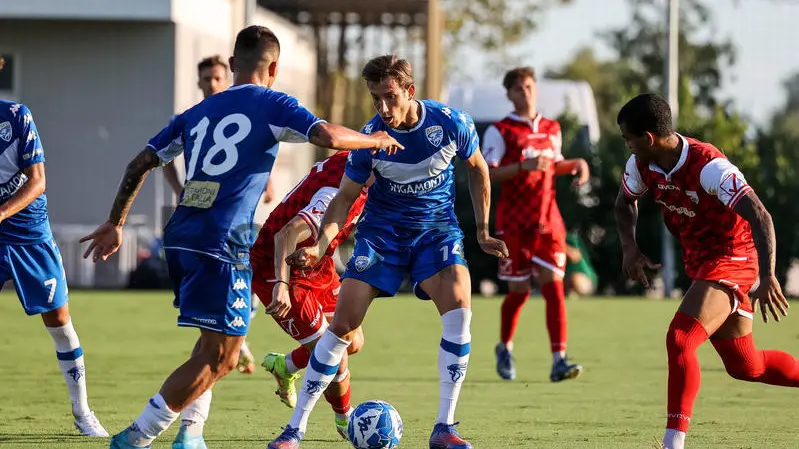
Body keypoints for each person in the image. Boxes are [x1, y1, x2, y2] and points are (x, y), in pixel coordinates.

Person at [79, 26, 401, 449]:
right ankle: (135, 439)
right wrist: (374, 139)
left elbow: (139, 164)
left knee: (210, 344)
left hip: (180, 234)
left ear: (232, 65)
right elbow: (327, 136)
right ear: (274, 67)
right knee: (225, 356)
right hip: (223, 239)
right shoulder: (272, 102)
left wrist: (115, 222)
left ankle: (190, 434)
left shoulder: (198, 112)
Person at [267, 54, 508, 449]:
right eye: (375, 98)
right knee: (343, 324)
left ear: (410, 92)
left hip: (435, 232)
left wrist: (482, 230)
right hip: (381, 237)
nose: (382, 108)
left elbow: (478, 167)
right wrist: (321, 246)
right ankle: (294, 430)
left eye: (390, 97)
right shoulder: (370, 139)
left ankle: (444, 427)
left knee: (461, 305)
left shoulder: (451, 123)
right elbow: (344, 199)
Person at [615, 93, 799, 449]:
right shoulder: (640, 165)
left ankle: (673, 443)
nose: (627, 145)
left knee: (680, 339)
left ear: (648, 138)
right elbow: (624, 203)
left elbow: (761, 215)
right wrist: (629, 248)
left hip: (735, 258)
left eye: (628, 138)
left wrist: (768, 275)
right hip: (703, 264)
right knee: (746, 366)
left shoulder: (709, 166)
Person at [0, 58, 107, 437]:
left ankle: (83, 414)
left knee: (60, 324)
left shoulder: (15, 117)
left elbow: (37, 182)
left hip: (28, 236)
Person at [481, 66, 589, 382]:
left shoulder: (552, 128)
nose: (525, 92)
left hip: (548, 221)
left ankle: (559, 359)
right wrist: (522, 166)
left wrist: (577, 165)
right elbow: (488, 173)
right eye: (518, 88)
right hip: (515, 223)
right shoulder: (500, 131)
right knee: (519, 292)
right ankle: (505, 347)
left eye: (529, 86)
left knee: (555, 287)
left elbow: (553, 166)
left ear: (535, 88)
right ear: (510, 94)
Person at [251, 151, 368, 439]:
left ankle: (285, 365)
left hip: (316, 260)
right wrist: (281, 284)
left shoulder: (357, 165)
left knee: (353, 342)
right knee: (334, 352)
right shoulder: (337, 192)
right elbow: (286, 234)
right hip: (278, 264)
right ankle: (346, 421)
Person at [163, 55, 264, 375]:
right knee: (213, 300)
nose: (212, 84)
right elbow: (161, 155)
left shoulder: (244, 117)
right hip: (200, 218)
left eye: (218, 78)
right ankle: (232, 340)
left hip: (234, 218)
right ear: (199, 83)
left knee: (250, 286)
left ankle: (235, 337)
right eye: (207, 79)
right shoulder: (192, 119)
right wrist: (179, 187)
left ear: (228, 78)